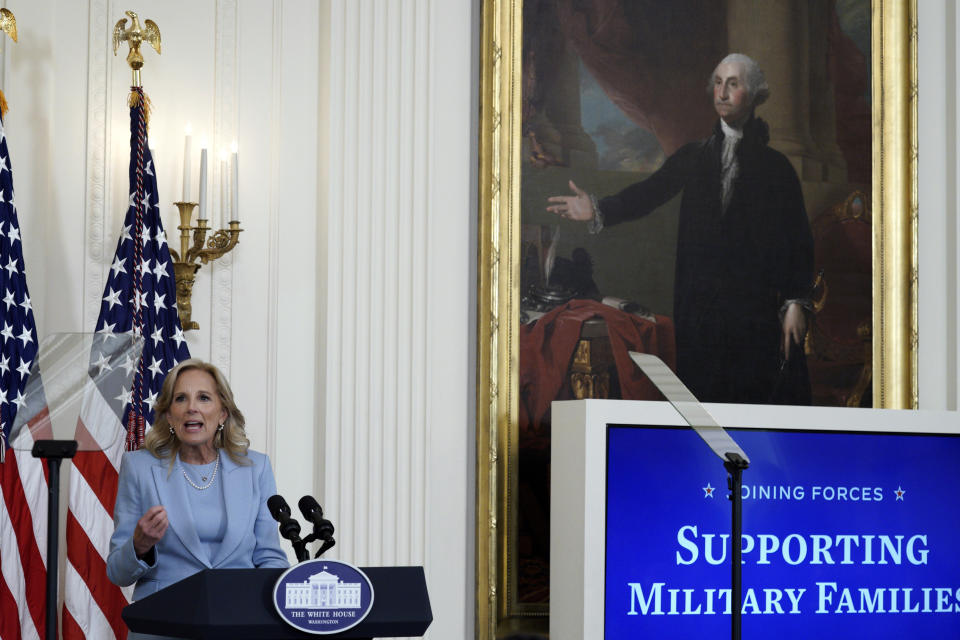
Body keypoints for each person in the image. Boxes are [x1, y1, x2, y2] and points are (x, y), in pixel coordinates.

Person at [546, 53, 814, 405]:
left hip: (753, 313)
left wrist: (796, 301)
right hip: (700, 311)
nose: (722, 92)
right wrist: (596, 208)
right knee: (704, 403)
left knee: (753, 402)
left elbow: (797, 239)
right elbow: (647, 194)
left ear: (754, 94)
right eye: (718, 82)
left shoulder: (776, 169)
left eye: (733, 84)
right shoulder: (694, 157)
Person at [107, 358, 289, 640]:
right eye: (181, 399)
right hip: (163, 625)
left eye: (203, 398)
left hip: (239, 625)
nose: (192, 407)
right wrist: (139, 546)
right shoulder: (139, 467)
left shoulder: (255, 468)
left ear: (223, 413)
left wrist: (264, 619)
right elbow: (117, 572)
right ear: (169, 415)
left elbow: (270, 559)